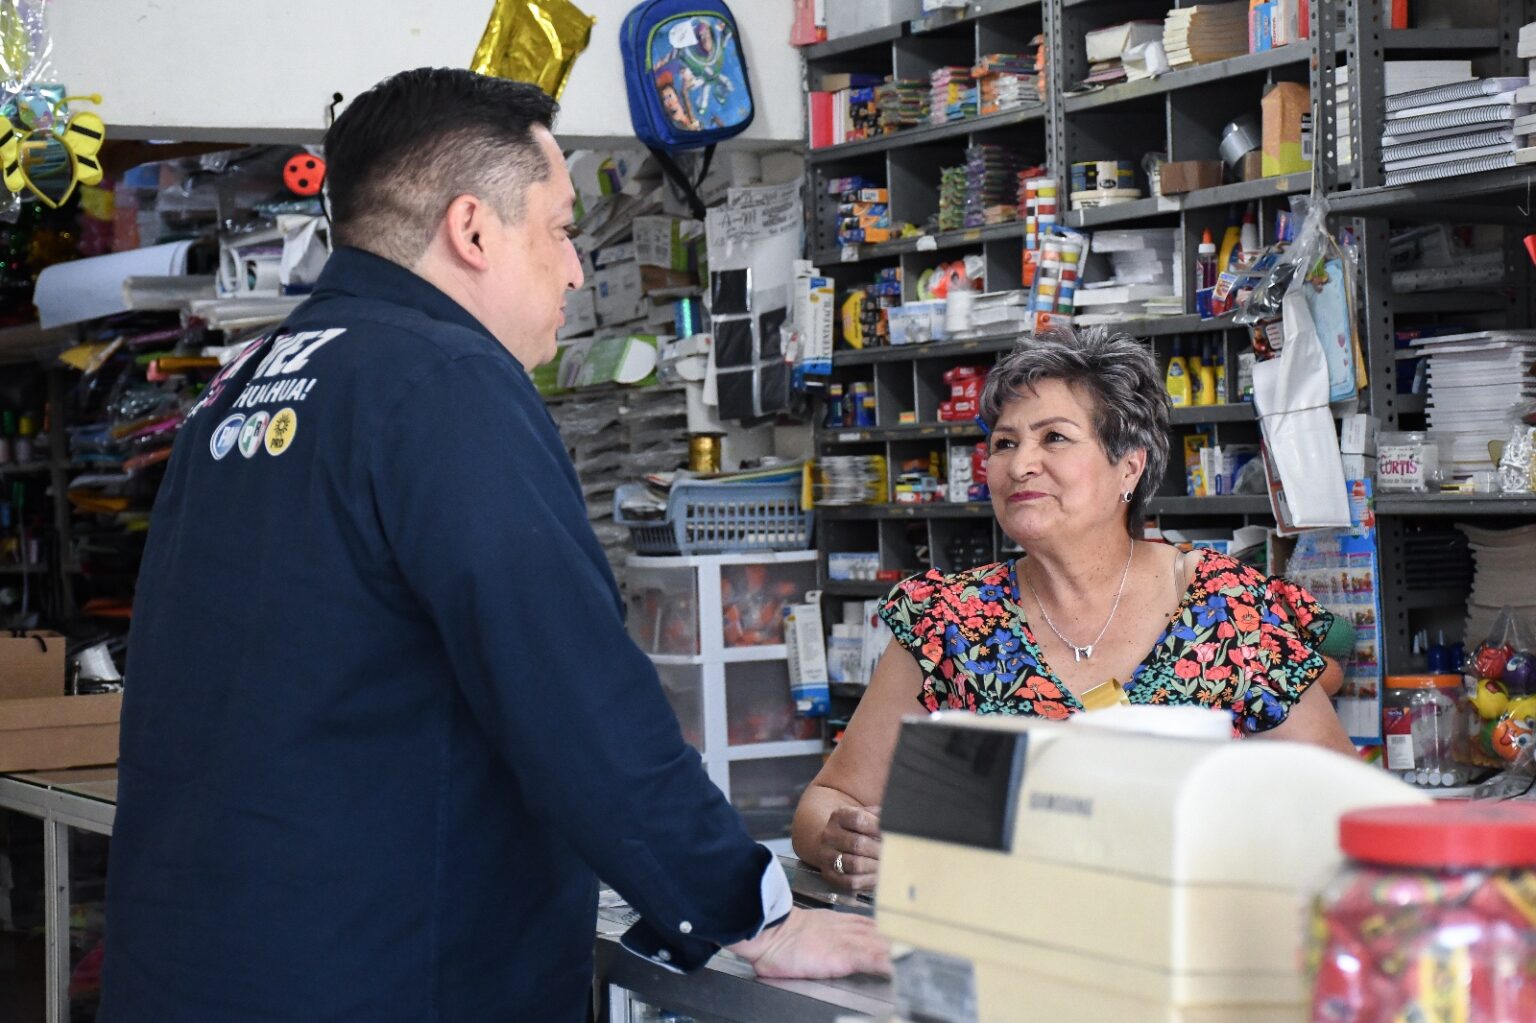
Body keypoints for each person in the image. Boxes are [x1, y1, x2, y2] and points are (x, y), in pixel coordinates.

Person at [99, 68, 887, 1023]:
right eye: (558, 230)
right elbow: (573, 689)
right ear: (473, 230)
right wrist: (752, 912)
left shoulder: (244, 387)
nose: (574, 269)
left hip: (201, 964)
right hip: (378, 977)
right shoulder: (444, 380)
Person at [792, 327, 1358, 891]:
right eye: (1005, 443)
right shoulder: (949, 620)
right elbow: (828, 802)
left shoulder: (1223, 606)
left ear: (1129, 468)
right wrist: (845, 849)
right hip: (1006, 949)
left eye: (1054, 438)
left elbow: (1342, 802)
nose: (1020, 466)